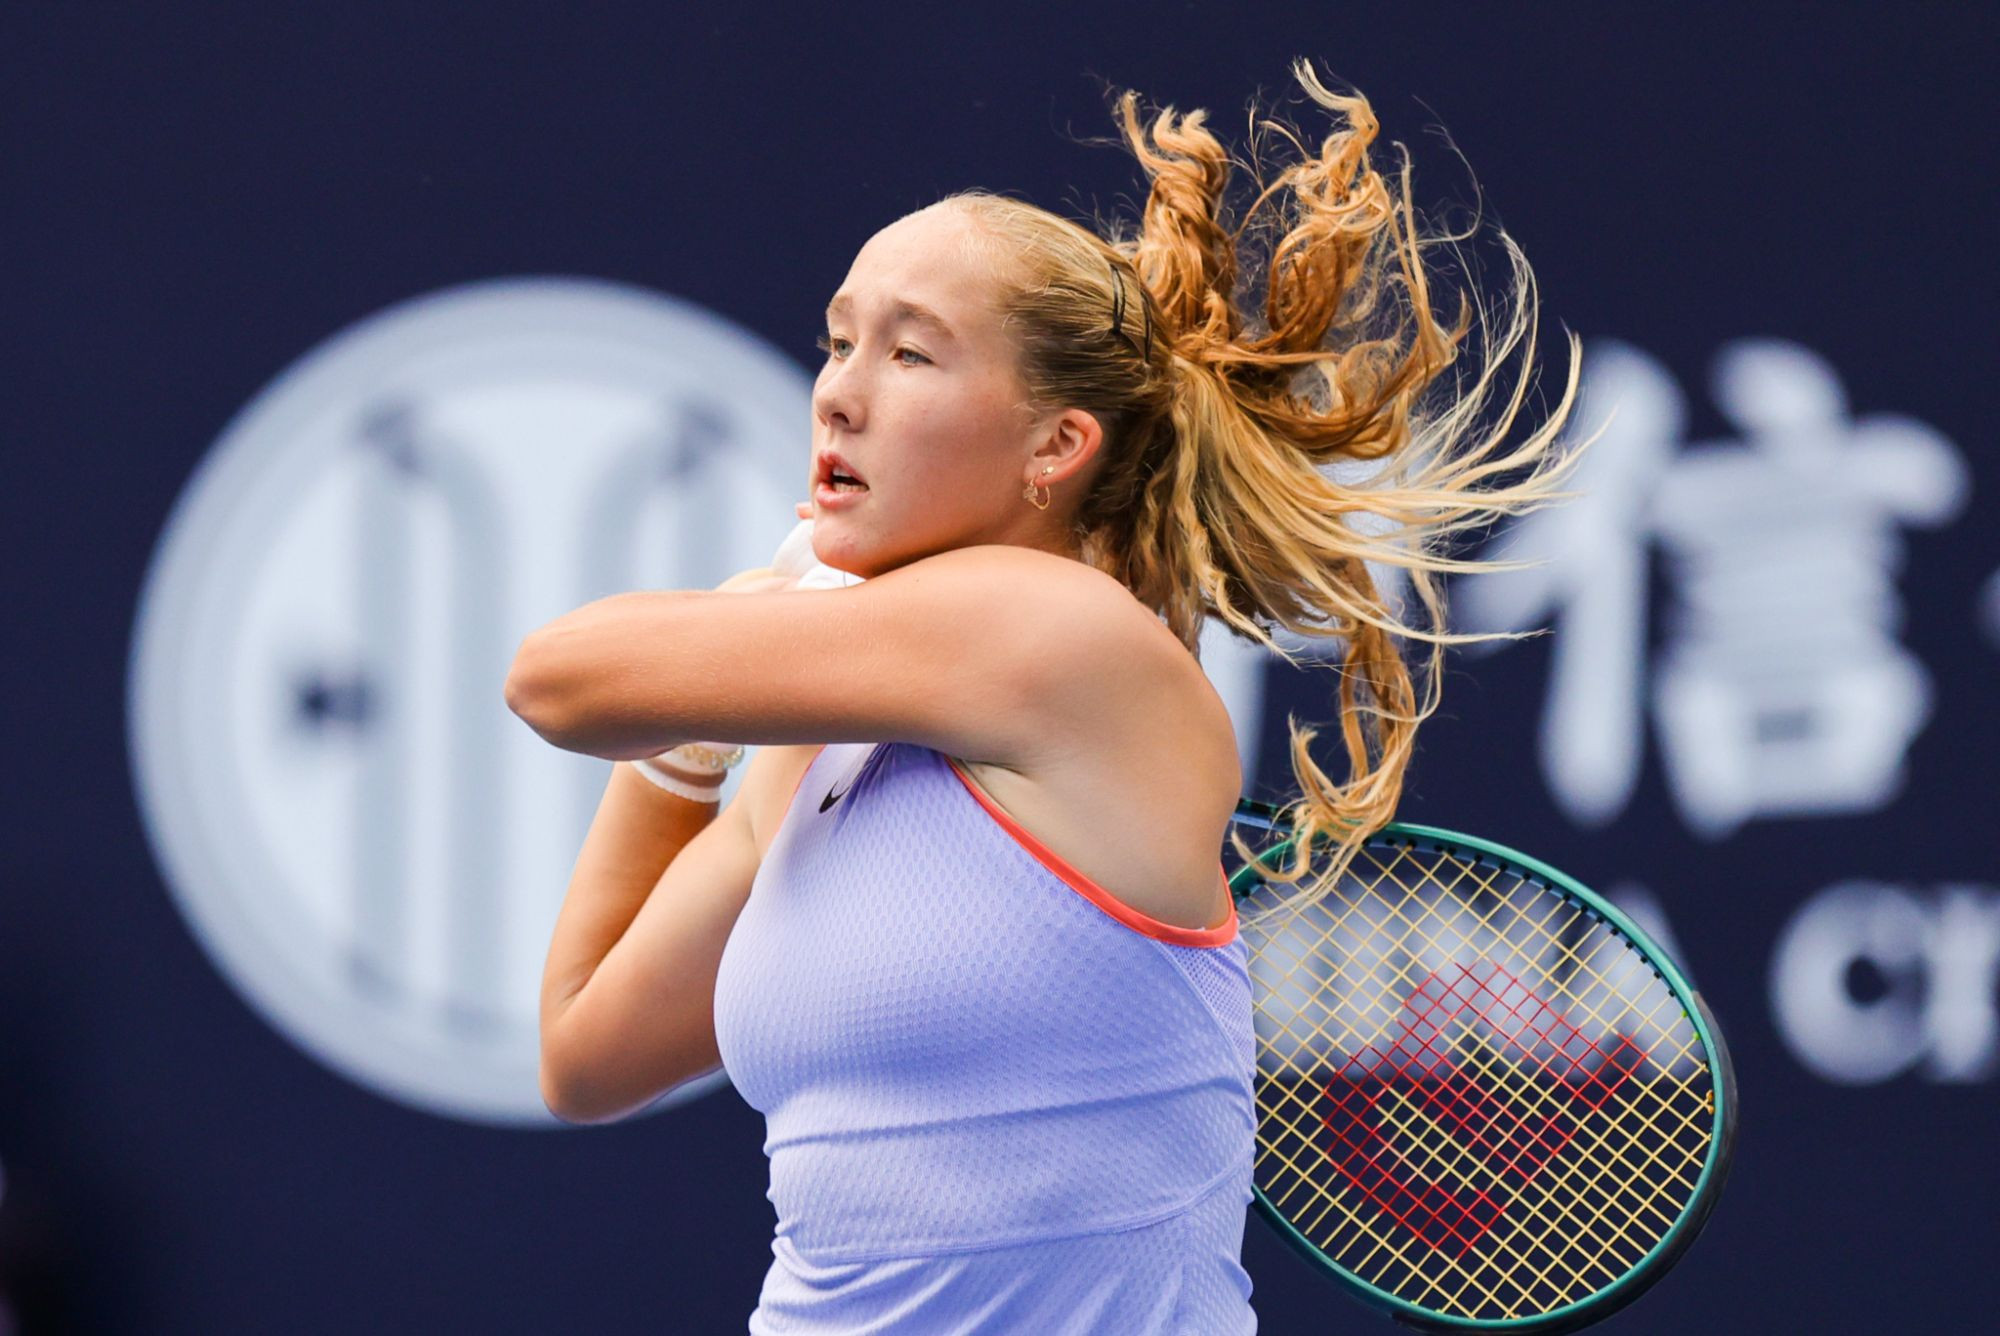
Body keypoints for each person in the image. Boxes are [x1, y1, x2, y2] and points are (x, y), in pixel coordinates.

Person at [506, 56, 1577, 1335]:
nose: (838, 389)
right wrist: (691, 743)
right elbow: (585, 1054)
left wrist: (750, 623)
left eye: (910, 353)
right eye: (838, 341)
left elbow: (554, 677)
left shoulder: (1053, 637)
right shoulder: (822, 741)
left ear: (1054, 446)